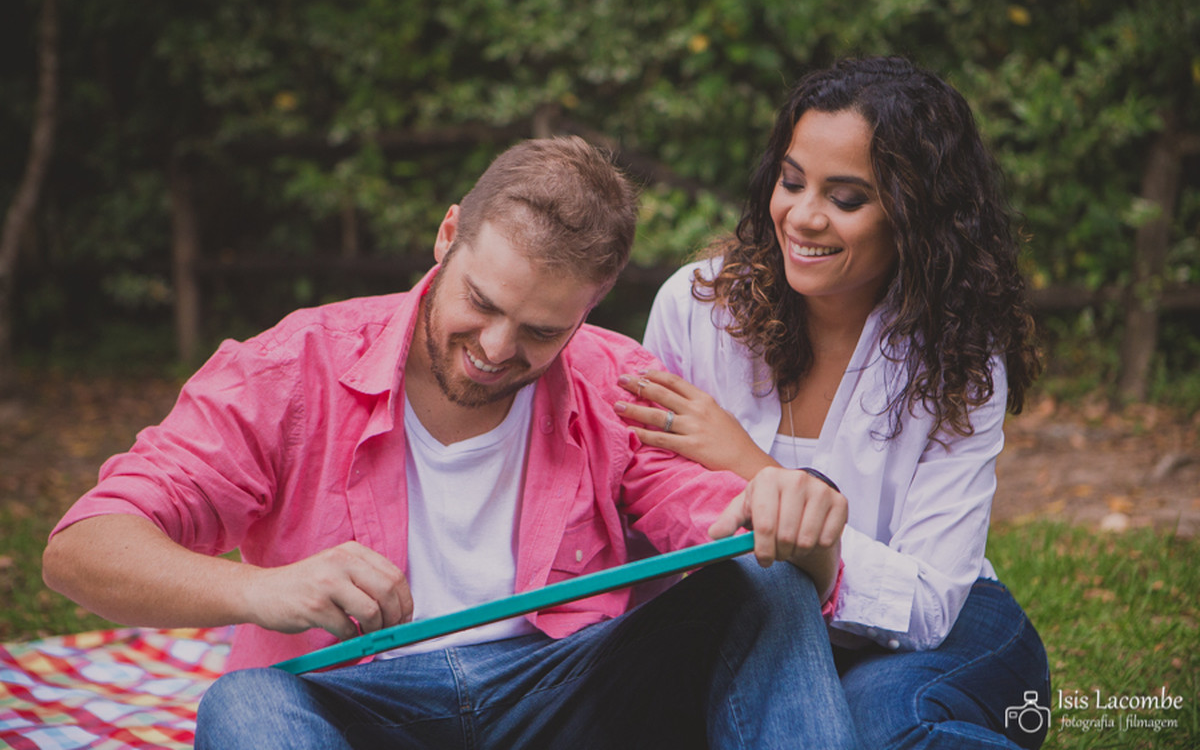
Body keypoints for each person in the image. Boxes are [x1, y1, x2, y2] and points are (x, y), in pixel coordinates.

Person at [42, 137, 859, 750]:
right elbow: (81, 548)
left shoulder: (618, 382)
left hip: (558, 699)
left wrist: (778, 518)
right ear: (447, 235)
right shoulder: (292, 367)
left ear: (591, 307)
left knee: (767, 588)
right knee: (244, 706)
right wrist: (262, 591)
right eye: (482, 303)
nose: (498, 348)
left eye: (542, 330)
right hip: (355, 703)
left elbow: (718, 524)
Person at [614, 57, 1051, 749]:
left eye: (846, 199)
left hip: (944, 638)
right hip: (753, 631)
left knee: (883, 725)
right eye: (791, 182)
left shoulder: (958, 357)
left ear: (914, 215)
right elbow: (642, 515)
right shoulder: (699, 310)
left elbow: (930, 603)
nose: (803, 216)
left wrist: (750, 465)